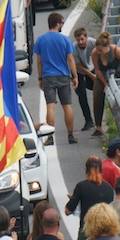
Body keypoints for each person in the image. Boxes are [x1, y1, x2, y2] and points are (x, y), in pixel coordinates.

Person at [32, 12, 79, 145]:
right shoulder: (65, 40)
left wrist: (40, 78)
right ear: (58, 23)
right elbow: (70, 59)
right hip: (63, 76)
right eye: (62, 23)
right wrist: (75, 76)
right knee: (67, 106)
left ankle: (50, 137)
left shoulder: (41, 40)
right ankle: (70, 135)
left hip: (48, 76)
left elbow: (39, 61)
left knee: (50, 107)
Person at [72, 27, 96, 133]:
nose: (80, 42)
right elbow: (78, 65)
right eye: (78, 40)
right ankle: (88, 120)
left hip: (92, 67)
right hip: (79, 71)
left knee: (95, 89)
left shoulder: (93, 43)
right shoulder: (74, 48)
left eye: (82, 39)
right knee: (81, 95)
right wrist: (90, 75)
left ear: (86, 37)